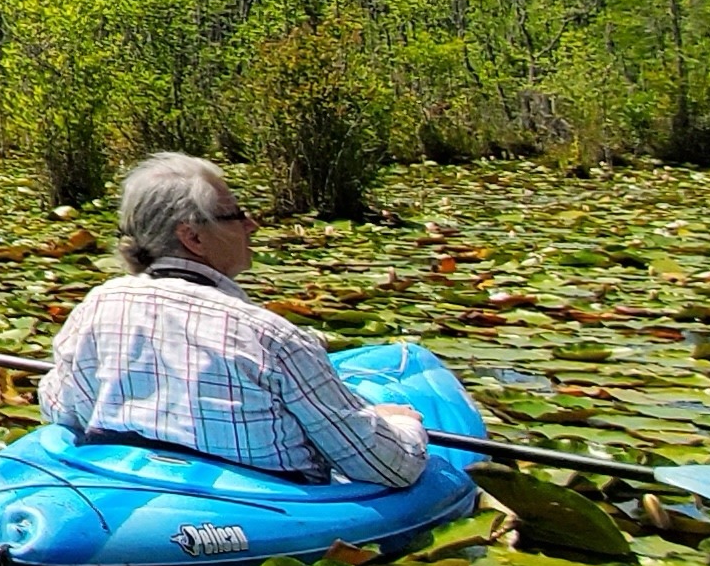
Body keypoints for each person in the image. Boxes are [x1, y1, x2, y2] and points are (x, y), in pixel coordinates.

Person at [39, 151, 427, 486]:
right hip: (258, 512)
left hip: (131, 488)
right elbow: (384, 465)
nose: (251, 225)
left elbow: (59, 407)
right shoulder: (269, 336)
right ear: (193, 237)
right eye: (235, 216)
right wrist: (403, 425)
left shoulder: (95, 306)